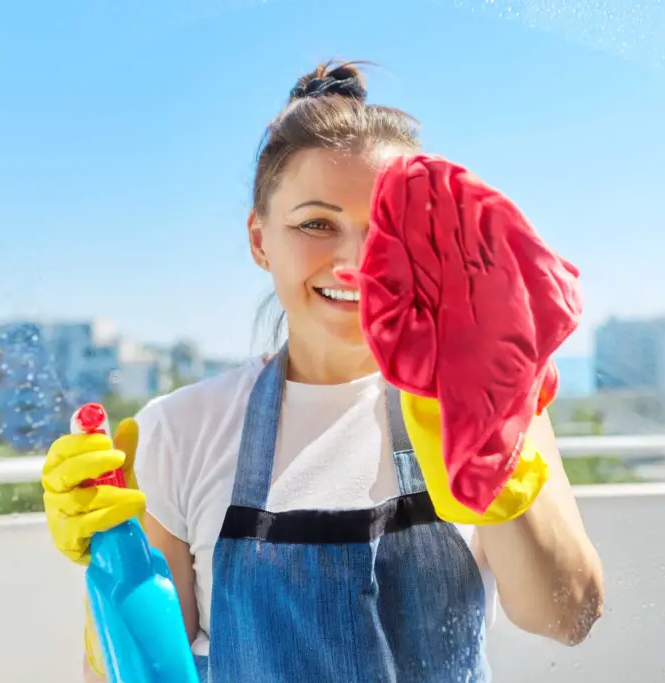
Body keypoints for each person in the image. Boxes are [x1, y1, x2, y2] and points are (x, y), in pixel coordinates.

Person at [41, 60, 604, 683]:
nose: (357, 262)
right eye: (316, 224)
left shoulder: (495, 394)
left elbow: (568, 616)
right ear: (260, 240)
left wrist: (492, 454)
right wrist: (110, 560)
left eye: (387, 230)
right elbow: (136, 673)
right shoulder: (180, 431)